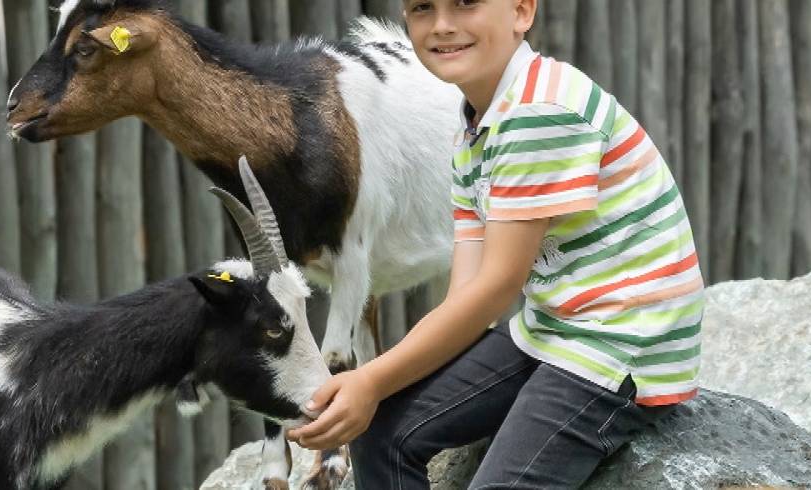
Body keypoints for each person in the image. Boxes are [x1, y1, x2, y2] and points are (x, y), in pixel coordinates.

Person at [286, 0, 706, 487]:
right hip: (552, 328)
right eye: (423, 8)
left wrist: (371, 379)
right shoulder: (474, 124)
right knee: (381, 427)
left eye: (466, 3)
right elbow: (468, 297)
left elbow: (496, 285)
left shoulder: (537, 112)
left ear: (522, 11)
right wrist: (370, 390)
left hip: (621, 345)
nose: (443, 25)